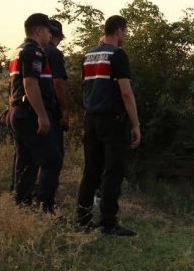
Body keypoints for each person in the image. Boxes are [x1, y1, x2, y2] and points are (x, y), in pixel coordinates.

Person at [76, 15, 141, 236]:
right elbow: (126, 92)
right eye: (126, 32)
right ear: (119, 31)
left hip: (91, 118)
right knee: (114, 170)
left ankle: (82, 219)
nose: (126, 36)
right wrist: (136, 125)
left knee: (91, 170)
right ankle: (109, 223)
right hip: (112, 120)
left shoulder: (88, 54)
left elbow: (85, 87)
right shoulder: (118, 55)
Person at [8, 13, 63, 213]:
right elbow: (30, 83)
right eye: (49, 30)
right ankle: (45, 208)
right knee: (52, 159)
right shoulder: (34, 52)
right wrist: (42, 115)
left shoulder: (18, 51)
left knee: (26, 161)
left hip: (18, 111)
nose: (51, 35)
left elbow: (14, 84)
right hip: (30, 113)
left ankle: (22, 206)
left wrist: (11, 108)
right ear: (38, 31)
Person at [44, 20, 70, 154]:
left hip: (28, 111)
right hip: (50, 110)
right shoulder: (54, 53)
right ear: (60, 36)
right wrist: (65, 110)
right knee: (54, 157)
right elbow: (58, 83)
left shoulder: (26, 50)